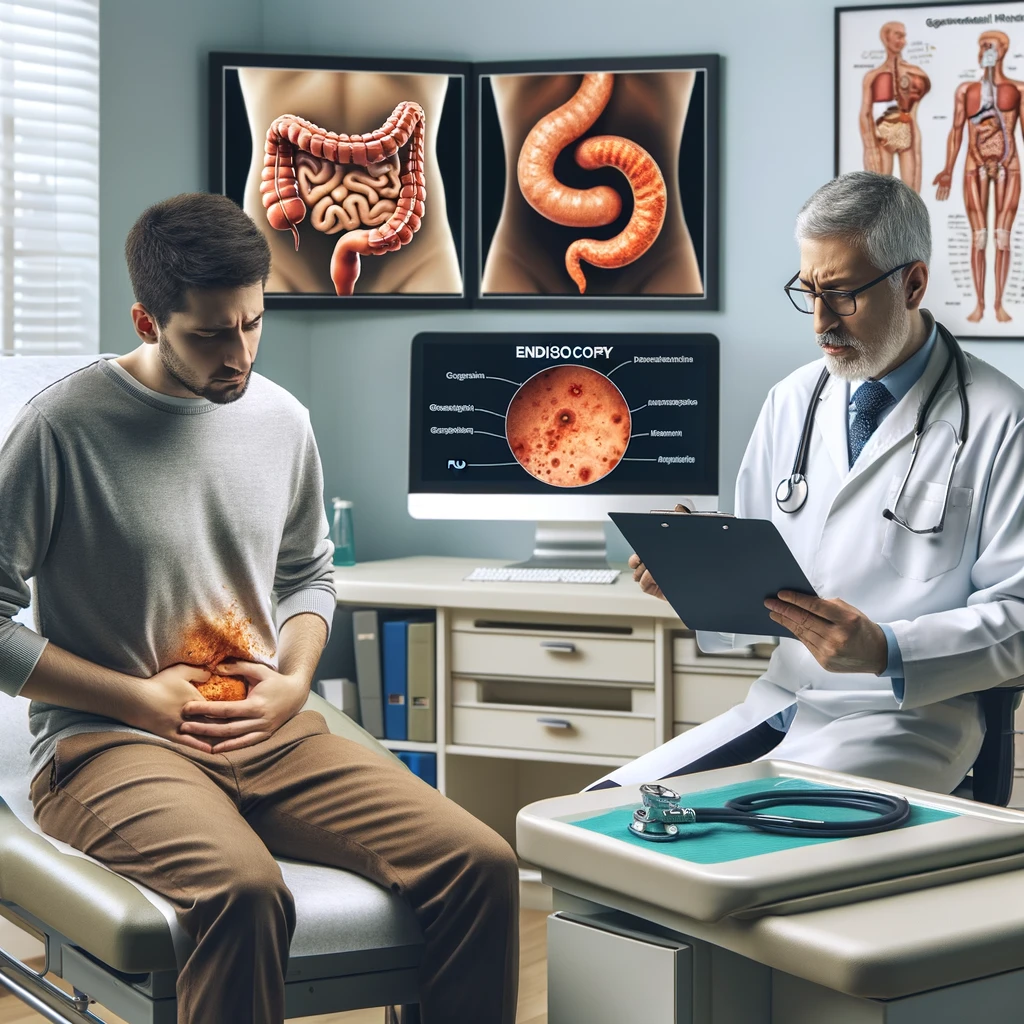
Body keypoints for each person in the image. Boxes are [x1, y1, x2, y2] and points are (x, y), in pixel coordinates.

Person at [0, 193, 518, 1024]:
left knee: (480, 864)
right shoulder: (61, 429)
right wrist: (139, 698)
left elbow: (308, 573)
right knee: (242, 891)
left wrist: (292, 678)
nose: (237, 354)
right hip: (109, 746)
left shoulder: (281, 419)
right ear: (147, 320)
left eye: (252, 324)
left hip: (269, 726)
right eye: (209, 334)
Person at [595, 171, 1024, 795]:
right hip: (783, 701)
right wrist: (691, 578)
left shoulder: (1001, 419)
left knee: (731, 850)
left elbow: (1018, 615)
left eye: (843, 295)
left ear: (913, 283)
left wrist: (885, 649)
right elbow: (753, 584)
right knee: (597, 818)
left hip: (908, 721)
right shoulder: (794, 399)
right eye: (808, 292)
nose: (821, 322)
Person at [933, 30, 1024, 323]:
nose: (983, 48)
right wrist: (947, 170)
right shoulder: (966, 90)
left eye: (990, 45)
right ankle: (980, 303)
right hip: (974, 165)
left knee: (1002, 236)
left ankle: (998, 304)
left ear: (1003, 50)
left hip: (1009, 164)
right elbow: (956, 131)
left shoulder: (1018, 89)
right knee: (979, 237)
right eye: (981, 44)